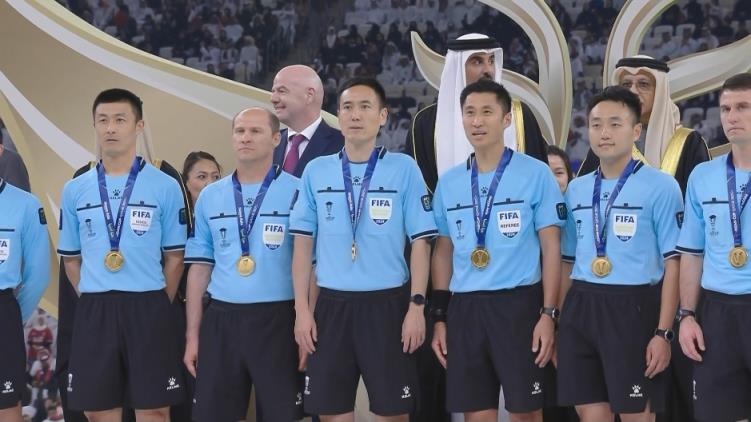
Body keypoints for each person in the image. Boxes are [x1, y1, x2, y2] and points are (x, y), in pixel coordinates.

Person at [290, 77, 438, 422]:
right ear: (338, 115)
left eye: (365, 107)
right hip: (331, 307)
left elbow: (421, 243)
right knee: (331, 413)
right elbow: (302, 247)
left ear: (382, 116)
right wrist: (302, 311)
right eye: (347, 107)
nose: (355, 115)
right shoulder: (316, 171)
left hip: (388, 307)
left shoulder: (404, 169)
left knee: (394, 413)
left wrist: (417, 306)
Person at [430, 80, 564, 422]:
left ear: (506, 119)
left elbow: (552, 248)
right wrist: (441, 317)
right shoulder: (449, 182)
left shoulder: (536, 173)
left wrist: (549, 314)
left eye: (487, 112)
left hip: (519, 306)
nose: (477, 121)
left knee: (526, 412)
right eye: (470, 113)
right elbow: (443, 251)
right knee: (476, 413)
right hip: (465, 308)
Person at [57, 88, 187, 422]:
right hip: (95, 308)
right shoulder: (75, 188)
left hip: (149, 305)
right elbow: (71, 259)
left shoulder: (165, 185)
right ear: (95, 126)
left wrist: (157, 302)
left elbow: (175, 257)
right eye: (103, 120)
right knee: (98, 411)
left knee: (154, 410)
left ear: (138, 125)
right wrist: (92, 295)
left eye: (119, 120)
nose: (110, 128)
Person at [558, 86, 683, 422]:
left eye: (615, 124)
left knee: (636, 415)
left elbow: (674, 264)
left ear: (636, 131)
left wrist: (663, 332)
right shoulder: (577, 189)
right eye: (596, 124)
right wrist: (558, 318)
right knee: (591, 416)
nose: (604, 133)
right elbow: (567, 261)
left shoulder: (662, 186)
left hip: (634, 308)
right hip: (581, 307)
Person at [183, 108, 303, 422]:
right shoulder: (210, 196)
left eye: (255, 131)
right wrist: (193, 335)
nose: (245, 138)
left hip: (279, 320)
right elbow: (199, 270)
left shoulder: (299, 191)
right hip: (222, 320)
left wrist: (305, 322)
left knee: (283, 416)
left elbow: (311, 266)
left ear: (276, 139)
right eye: (239, 131)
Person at [676, 73, 751, 422]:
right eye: (725, 108)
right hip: (717, 314)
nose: (731, 116)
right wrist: (687, 316)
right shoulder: (702, 176)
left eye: (743, 107)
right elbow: (692, 253)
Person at [406, 33, 549, 194]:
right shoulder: (424, 124)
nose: (488, 70)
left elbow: (540, 186)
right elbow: (417, 193)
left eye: (491, 61)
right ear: (457, 67)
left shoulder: (519, 115)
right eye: (477, 61)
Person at [577, 56, 709, 195]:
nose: (633, 91)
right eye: (626, 84)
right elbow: (583, 195)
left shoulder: (689, 142)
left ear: (659, 92)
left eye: (643, 84)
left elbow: (702, 198)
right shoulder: (605, 141)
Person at [0, 175, 50, 422]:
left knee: (7, 405)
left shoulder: (26, 205)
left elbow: (38, 276)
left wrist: (11, 317)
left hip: (3, 312)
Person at [271, 64, 344, 178]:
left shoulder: (344, 146)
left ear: (309, 95)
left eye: (282, 91)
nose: (273, 99)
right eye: (273, 91)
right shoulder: (267, 143)